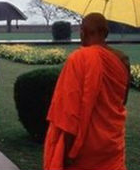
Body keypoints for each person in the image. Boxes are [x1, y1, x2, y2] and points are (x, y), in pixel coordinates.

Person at [43, 13, 130, 170]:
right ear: (106, 32)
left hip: (83, 150)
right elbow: (123, 101)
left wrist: (67, 152)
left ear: (83, 31)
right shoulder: (122, 60)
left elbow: (69, 114)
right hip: (111, 145)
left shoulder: (78, 59)